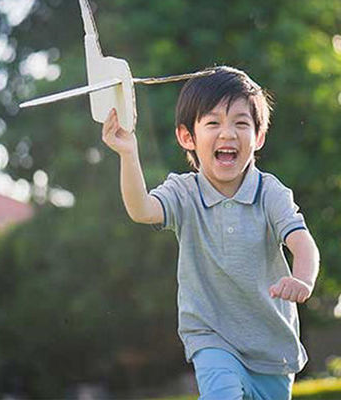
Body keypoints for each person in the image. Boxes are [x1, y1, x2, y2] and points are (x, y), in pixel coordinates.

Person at [99, 66, 319, 399]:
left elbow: (304, 246)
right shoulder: (183, 193)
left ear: (258, 137)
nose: (228, 134)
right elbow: (141, 210)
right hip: (211, 336)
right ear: (187, 136)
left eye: (241, 123)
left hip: (271, 347)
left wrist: (303, 279)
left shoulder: (270, 193)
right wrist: (129, 153)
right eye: (213, 123)